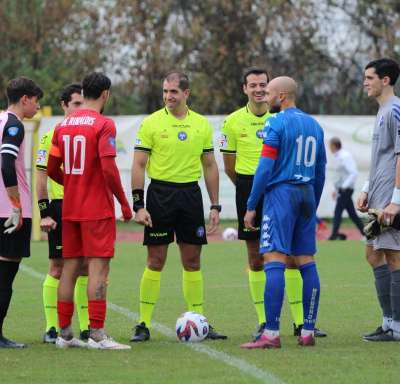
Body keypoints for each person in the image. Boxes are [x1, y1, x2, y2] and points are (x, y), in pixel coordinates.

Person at [221, 67, 326, 339]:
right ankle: (308, 330)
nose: (264, 97)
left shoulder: (275, 123)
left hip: (281, 195)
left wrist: (252, 204)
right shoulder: (314, 125)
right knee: (306, 261)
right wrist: (313, 203)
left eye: (268, 92)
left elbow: (264, 169)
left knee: (274, 260)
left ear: (282, 95)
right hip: (307, 193)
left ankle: (270, 332)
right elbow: (321, 170)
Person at [130, 71, 226, 342]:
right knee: (155, 260)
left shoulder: (201, 124)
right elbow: (138, 165)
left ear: (186, 93)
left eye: (173, 92)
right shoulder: (151, 123)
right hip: (159, 195)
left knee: (192, 261)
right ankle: (142, 324)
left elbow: (209, 165)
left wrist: (215, 205)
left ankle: (200, 322)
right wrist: (139, 204)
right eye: (165, 91)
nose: (168, 96)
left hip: (190, 196)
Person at [47, 72, 132, 350]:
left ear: (83, 92)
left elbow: (51, 169)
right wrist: (123, 201)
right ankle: (97, 334)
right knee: (98, 268)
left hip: (70, 207)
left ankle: (65, 334)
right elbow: (108, 168)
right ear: (105, 94)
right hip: (96, 208)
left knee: (69, 267)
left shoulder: (63, 125)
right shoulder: (104, 124)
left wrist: (72, 183)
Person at [36, 83, 90, 343]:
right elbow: (41, 176)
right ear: (64, 106)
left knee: (86, 268)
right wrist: (45, 211)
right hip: (60, 207)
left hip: (86, 207)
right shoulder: (51, 135)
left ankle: (86, 326)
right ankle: (52, 327)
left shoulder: (91, 132)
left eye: (83, 103)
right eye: (76, 104)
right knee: (58, 267)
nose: (80, 108)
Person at [357, 58, 400, 342]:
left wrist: (396, 199)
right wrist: (365, 187)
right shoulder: (382, 111)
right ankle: (388, 321)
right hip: (377, 195)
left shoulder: (395, 110)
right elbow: (381, 158)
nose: (365, 83)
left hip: (390, 197)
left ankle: (397, 326)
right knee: (373, 254)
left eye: (370, 78)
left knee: (395, 257)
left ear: (385, 80)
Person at [0, 77, 43, 348]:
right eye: (36, 100)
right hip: (10, 212)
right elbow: (6, 164)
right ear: (25, 99)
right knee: (5, 277)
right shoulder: (15, 125)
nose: (38, 106)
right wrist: (16, 206)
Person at [328, 137, 365, 240]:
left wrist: (343, 187)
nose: (329, 148)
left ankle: (333, 235)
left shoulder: (345, 156)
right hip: (342, 189)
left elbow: (353, 173)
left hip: (346, 189)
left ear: (334, 146)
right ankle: (366, 234)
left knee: (337, 211)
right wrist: (335, 189)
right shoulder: (337, 157)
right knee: (352, 214)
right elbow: (338, 176)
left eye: (330, 145)